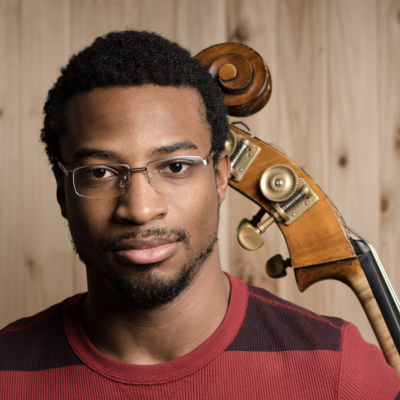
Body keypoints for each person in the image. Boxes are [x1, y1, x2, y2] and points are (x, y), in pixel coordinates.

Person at [0, 30, 399, 400]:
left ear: (221, 175)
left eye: (175, 166)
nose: (140, 209)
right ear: (62, 191)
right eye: (100, 173)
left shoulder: (338, 371)